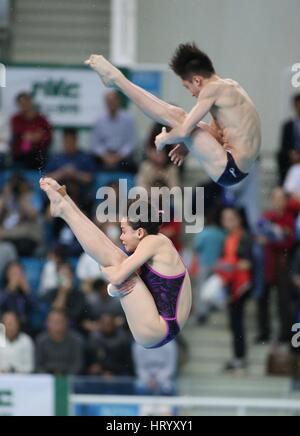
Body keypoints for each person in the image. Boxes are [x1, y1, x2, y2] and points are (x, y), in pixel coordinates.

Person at [40, 177, 192, 349]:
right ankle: (65, 203)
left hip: (158, 328)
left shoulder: (154, 242)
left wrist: (106, 272)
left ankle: (65, 208)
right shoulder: (156, 245)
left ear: (140, 232)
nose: (121, 237)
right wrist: (115, 281)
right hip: (160, 327)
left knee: (115, 259)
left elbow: (117, 277)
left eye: (124, 231)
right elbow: (115, 286)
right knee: (115, 257)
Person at [85, 42, 261, 187]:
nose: (191, 93)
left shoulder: (211, 90)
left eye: (188, 86)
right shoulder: (229, 87)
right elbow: (218, 134)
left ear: (197, 80)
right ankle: (118, 81)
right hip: (236, 167)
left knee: (176, 116)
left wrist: (165, 138)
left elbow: (184, 131)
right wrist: (186, 145)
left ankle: (118, 80)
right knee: (181, 117)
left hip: (230, 166)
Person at [91, 90, 137, 173]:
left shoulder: (128, 119)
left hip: (123, 157)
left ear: (118, 101)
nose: (111, 103)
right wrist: (105, 156)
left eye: (113, 101)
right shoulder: (99, 120)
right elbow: (95, 144)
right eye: (108, 101)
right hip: (104, 157)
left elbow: (131, 142)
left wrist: (118, 156)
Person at [10, 93, 52, 169]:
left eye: (26, 102)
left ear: (31, 102)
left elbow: (48, 136)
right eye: (21, 103)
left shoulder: (42, 119)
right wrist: (32, 135)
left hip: (38, 152)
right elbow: (18, 133)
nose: (24, 105)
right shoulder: (16, 119)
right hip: (21, 154)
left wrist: (37, 137)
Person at [35, 310, 83, 375]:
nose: (57, 324)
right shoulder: (41, 340)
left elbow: (78, 364)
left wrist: (66, 377)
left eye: (60, 321)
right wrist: (48, 378)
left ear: (66, 322)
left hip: (70, 379)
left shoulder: (76, 340)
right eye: (54, 322)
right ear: (47, 323)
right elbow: (37, 365)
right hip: (46, 379)